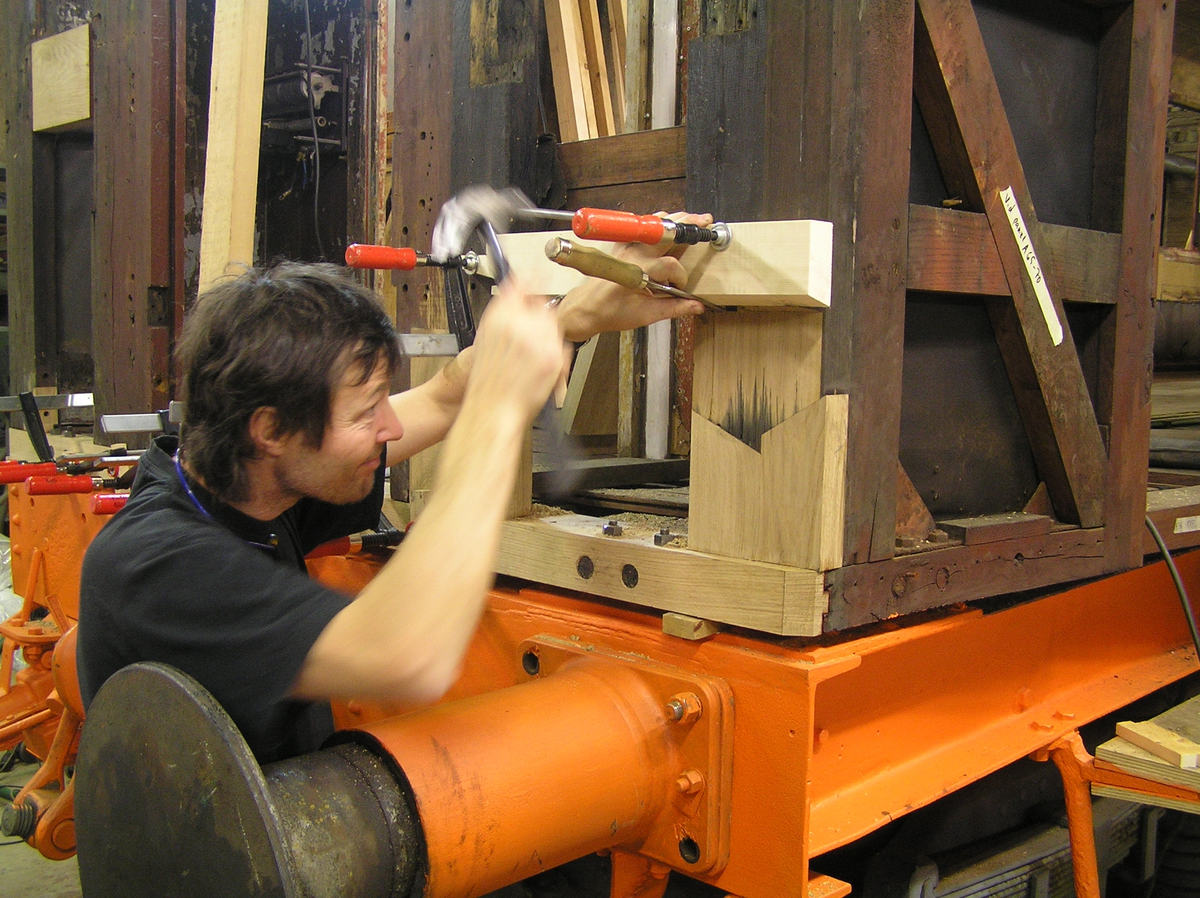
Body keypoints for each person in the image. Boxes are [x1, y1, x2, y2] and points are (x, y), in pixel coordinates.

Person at [76, 218, 709, 763]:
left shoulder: (237, 486)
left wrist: (567, 320)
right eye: (366, 412)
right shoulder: (157, 565)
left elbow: (441, 397)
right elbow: (408, 655)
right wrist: (499, 413)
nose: (393, 428)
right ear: (270, 430)